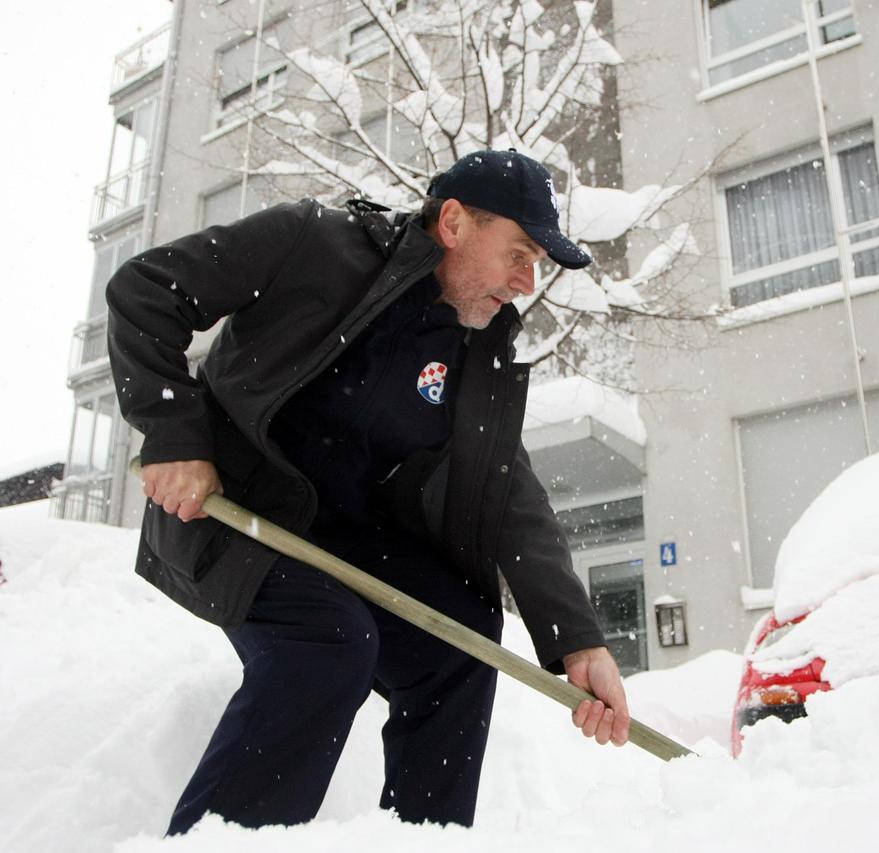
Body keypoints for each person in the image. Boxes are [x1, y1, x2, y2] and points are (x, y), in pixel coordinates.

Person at [105, 149, 630, 835]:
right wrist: (176, 437)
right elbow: (146, 290)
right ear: (452, 222)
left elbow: (507, 490)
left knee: (463, 642)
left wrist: (578, 641)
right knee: (331, 640)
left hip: (338, 539)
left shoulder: (474, 351)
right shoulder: (315, 245)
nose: (525, 282)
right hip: (228, 511)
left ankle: (421, 840)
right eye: (519, 253)